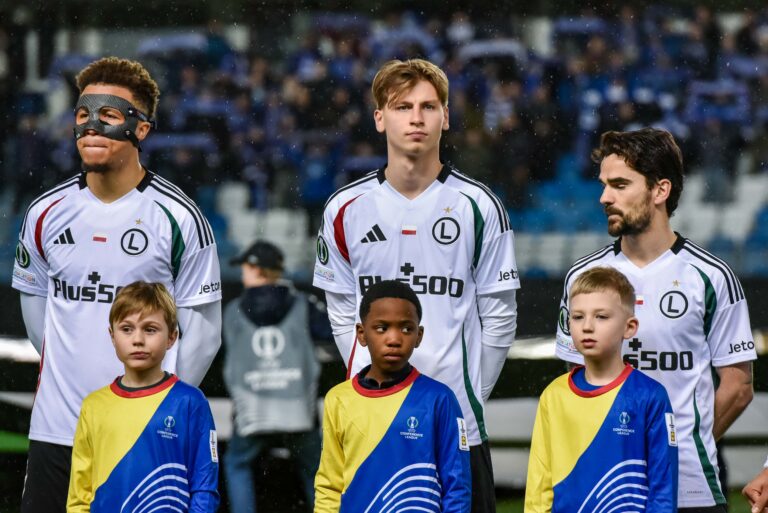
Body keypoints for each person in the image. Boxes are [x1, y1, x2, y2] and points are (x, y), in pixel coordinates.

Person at [12, 57, 222, 513]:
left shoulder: (180, 218)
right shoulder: (44, 213)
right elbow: (36, 314)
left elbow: (203, 331)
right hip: (55, 430)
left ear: (141, 129)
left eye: (108, 116)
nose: (91, 126)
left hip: (139, 432)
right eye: (83, 115)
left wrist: (150, 409)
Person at [313, 58, 518, 513]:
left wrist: (464, 397)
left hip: (459, 423)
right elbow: (343, 311)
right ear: (380, 119)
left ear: (446, 117)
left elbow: (501, 317)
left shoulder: (479, 206)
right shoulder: (345, 208)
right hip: (371, 422)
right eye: (402, 106)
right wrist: (365, 387)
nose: (417, 117)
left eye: (429, 106)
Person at [555, 128, 755, 512]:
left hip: (692, 488)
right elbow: (575, 379)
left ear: (660, 190)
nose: (604, 197)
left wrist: (680, 444)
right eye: (604, 185)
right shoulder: (583, 277)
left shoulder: (711, 277)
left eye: (620, 185)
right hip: (606, 485)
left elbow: (739, 383)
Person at [527, 266, 677, 511]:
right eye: (577, 317)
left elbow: (663, 490)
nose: (587, 326)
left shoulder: (650, 396)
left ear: (629, 327)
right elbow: (538, 484)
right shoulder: (553, 396)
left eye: (601, 316)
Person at [314, 280, 471, 512]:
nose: (394, 339)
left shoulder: (440, 399)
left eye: (406, 329)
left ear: (419, 335)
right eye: (382, 328)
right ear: (361, 333)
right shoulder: (338, 399)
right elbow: (329, 484)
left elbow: (456, 486)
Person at [67, 281, 219, 512]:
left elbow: (204, 488)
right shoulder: (93, 406)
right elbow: (79, 497)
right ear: (112, 335)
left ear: (172, 337)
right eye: (127, 329)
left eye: (150, 329)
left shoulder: (190, 402)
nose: (137, 339)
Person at [223, 240, 323, 513]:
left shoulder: (232, 311)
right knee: (316, 470)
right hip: (298, 410)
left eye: (245, 268)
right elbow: (329, 335)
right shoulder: (304, 304)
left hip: (252, 411)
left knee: (237, 464)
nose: (242, 273)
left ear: (256, 270)